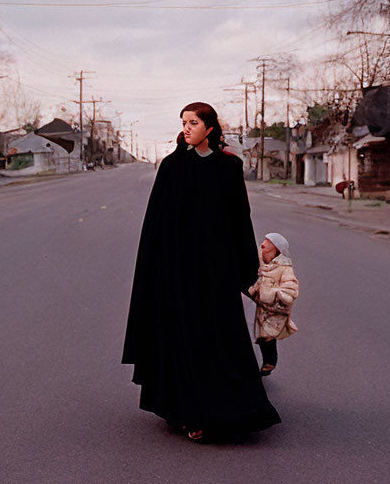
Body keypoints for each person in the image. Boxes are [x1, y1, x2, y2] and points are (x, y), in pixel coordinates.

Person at [123, 102, 281, 443]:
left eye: (193, 122)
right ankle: (187, 413)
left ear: (210, 127)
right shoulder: (172, 167)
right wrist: (156, 270)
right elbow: (157, 226)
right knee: (183, 337)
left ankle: (232, 409)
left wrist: (249, 273)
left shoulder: (229, 167)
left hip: (217, 272)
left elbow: (241, 221)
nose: (187, 128)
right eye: (183, 122)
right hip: (178, 272)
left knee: (221, 337)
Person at [248, 232, 299, 377]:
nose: (263, 245)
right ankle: (263, 361)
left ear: (276, 249)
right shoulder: (263, 264)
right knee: (259, 335)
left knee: (268, 335)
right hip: (260, 307)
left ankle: (270, 362)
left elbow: (291, 290)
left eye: (267, 243)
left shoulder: (284, 268)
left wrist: (273, 294)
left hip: (275, 310)